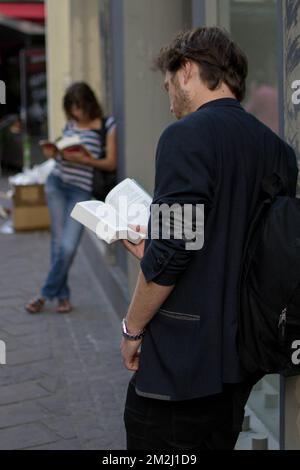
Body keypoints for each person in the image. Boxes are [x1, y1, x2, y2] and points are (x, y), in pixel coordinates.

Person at [120, 27, 298, 450]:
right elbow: (251, 244)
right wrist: (160, 244)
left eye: (168, 86)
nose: (169, 101)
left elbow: (172, 252)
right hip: (241, 363)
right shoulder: (278, 151)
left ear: (186, 71)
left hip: (182, 369)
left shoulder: (185, 137)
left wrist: (132, 328)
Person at [25, 82, 117, 314]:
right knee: (57, 245)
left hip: (80, 191)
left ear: (89, 104)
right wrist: (54, 153)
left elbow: (111, 163)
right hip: (57, 184)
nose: (76, 112)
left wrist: (85, 160)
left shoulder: (107, 125)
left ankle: (45, 294)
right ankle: (64, 298)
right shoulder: (70, 125)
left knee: (67, 246)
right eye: (72, 108)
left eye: (80, 107)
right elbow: (62, 154)